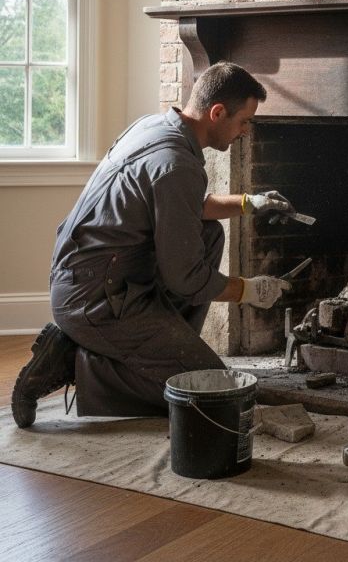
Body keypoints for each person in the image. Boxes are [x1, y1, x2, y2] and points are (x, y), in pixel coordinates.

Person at [12, 62, 294, 428]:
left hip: (96, 277)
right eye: (243, 121)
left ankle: (160, 350)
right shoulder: (177, 165)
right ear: (217, 112)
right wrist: (249, 290)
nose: (244, 132)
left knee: (210, 234)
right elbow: (187, 279)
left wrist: (247, 203)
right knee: (212, 392)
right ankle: (72, 362)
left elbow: (182, 205)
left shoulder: (154, 126)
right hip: (94, 299)